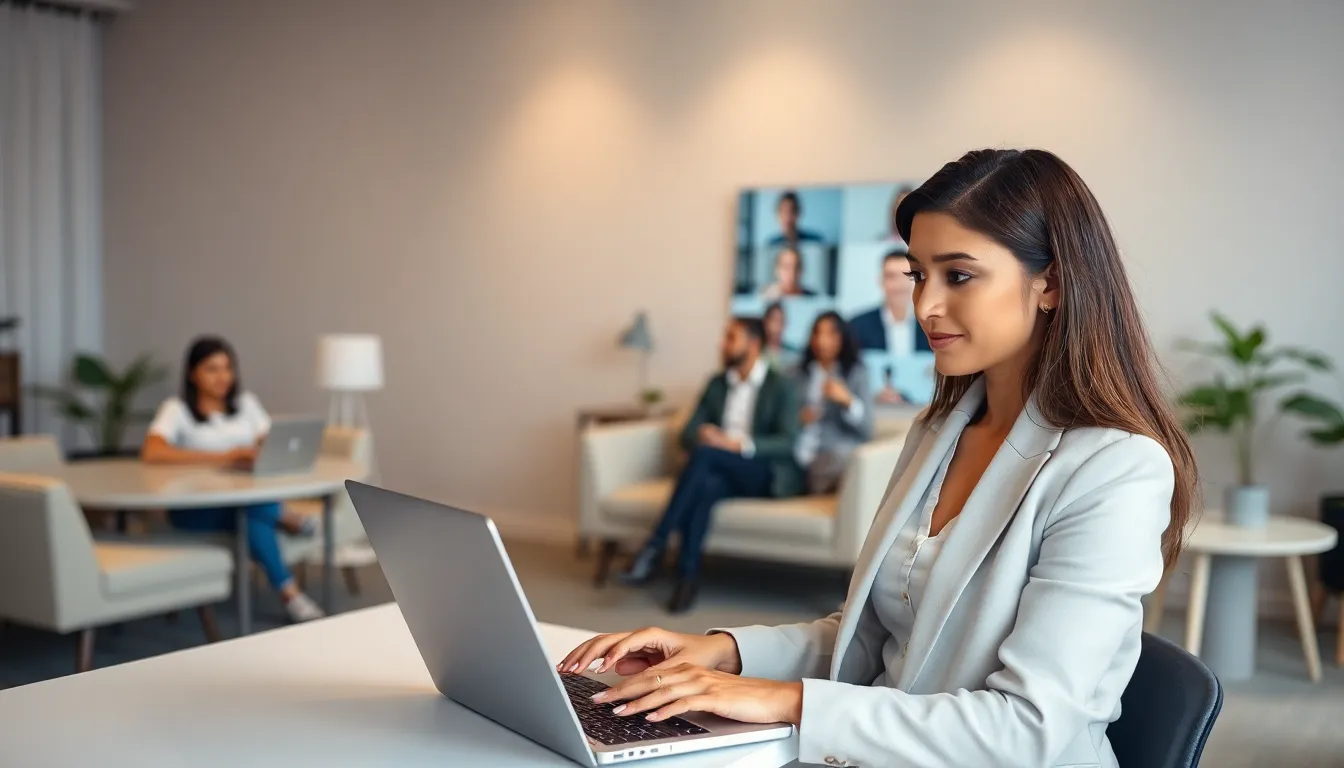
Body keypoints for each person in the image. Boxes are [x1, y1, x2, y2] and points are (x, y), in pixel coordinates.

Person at [559, 149, 1199, 768]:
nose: (924, 305)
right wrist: (722, 652)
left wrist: (788, 703)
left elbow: (1023, 729)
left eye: (959, 275)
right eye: (919, 274)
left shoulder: (1116, 469)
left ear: (1051, 283)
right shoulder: (936, 434)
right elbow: (874, 639)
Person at [617, 316, 802, 613]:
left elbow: (788, 441)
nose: (722, 344)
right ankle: (686, 579)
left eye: (731, 337)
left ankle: (656, 545)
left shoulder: (781, 385)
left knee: (705, 456)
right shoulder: (717, 383)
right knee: (706, 486)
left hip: (764, 471)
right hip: (720, 468)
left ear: (754, 345)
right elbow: (688, 431)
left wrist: (737, 444)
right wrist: (702, 433)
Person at [141, 336, 325, 623]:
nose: (222, 377)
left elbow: (270, 440)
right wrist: (226, 457)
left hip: (246, 502)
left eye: (227, 368)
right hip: (193, 508)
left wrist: (261, 452)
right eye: (212, 369)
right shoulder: (176, 409)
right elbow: (152, 451)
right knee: (253, 511)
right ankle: (286, 518)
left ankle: (291, 594)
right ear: (193, 373)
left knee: (251, 514)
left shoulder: (246, 404)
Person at [794, 312, 873, 494]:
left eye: (830, 334)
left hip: (830, 457)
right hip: (797, 452)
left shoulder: (856, 374)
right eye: (818, 334)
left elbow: (868, 430)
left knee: (842, 458)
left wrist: (847, 400)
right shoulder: (795, 374)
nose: (822, 341)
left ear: (842, 338)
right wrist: (797, 418)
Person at [850, 249, 932, 404]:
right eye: (891, 277)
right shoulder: (857, 326)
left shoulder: (931, 325)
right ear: (881, 281)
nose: (899, 285)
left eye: (906, 276)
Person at [760, 302, 801, 372]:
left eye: (781, 321)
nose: (777, 326)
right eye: (774, 320)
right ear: (765, 322)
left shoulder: (793, 354)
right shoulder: (756, 351)